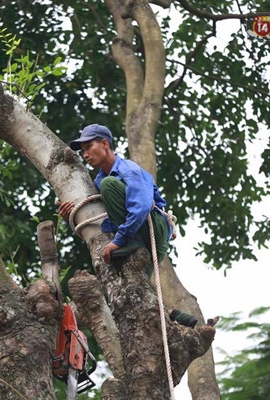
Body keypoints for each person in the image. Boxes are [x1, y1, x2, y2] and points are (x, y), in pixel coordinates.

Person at [58, 123, 208, 328]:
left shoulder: (128, 170)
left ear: (104, 144)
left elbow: (142, 206)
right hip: (135, 234)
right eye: (82, 151)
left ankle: (132, 244)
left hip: (152, 229)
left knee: (110, 186)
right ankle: (174, 316)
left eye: (88, 147)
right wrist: (70, 217)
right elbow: (97, 220)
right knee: (129, 295)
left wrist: (118, 241)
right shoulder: (99, 181)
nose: (85, 154)